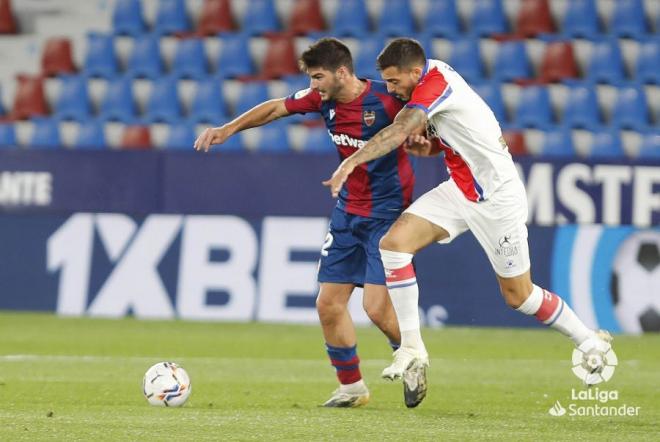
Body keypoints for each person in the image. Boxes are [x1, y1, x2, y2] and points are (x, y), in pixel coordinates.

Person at [323, 38, 614, 407]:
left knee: (519, 296)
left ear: (415, 71)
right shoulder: (429, 79)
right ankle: (412, 349)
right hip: (460, 190)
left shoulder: (435, 85)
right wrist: (426, 147)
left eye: (395, 82)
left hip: (496, 200)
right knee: (394, 245)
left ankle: (588, 340)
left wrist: (351, 161)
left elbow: (399, 129)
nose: (391, 88)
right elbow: (444, 138)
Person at [194, 38, 420, 408]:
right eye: (311, 79)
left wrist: (425, 139)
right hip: (348, 213)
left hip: (388, 213)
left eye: (318, 77)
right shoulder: (322, 99)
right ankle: (352, 387)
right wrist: (228, 129)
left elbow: (430, 121)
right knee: (328, 305)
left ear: (342, 72)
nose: (313, 85)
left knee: (376, 309)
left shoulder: (388, 99)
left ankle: (413, 358)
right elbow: (274, 109)